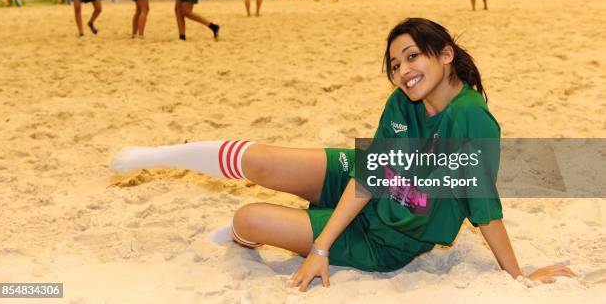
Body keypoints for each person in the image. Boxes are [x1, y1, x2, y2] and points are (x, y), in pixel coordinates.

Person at [110, 18, 575, 291]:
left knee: (249, 219)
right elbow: (372, 174)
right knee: (261, 163)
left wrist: (519, 275)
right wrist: (320, 245)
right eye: (395, 64)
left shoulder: (471, 118)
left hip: (389, 238)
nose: (403, 72)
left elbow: (485, 211)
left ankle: (246, 232)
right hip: (372, 185)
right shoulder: (402, 103)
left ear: (446, 54)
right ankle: (159, 154)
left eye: (413, 57)